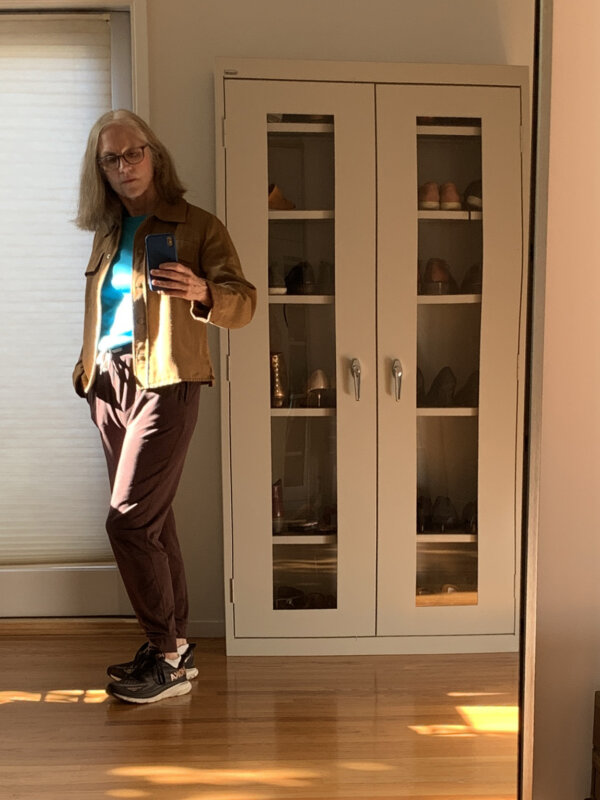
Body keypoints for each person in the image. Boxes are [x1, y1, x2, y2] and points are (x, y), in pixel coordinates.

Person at [72, 109, 256, 704]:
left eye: (133, 154)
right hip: (110, 384)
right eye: (110, 159)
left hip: (167, 380)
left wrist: (205, 292)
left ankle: (169, 658)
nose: (124, 167)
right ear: (99, 169)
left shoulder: (196, 225)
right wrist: (87, 369)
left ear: (155, 155)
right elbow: (104, 310)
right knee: (153, 521)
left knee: (126, 518)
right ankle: (172, 646)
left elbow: (245, 301)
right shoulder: (108, 232)